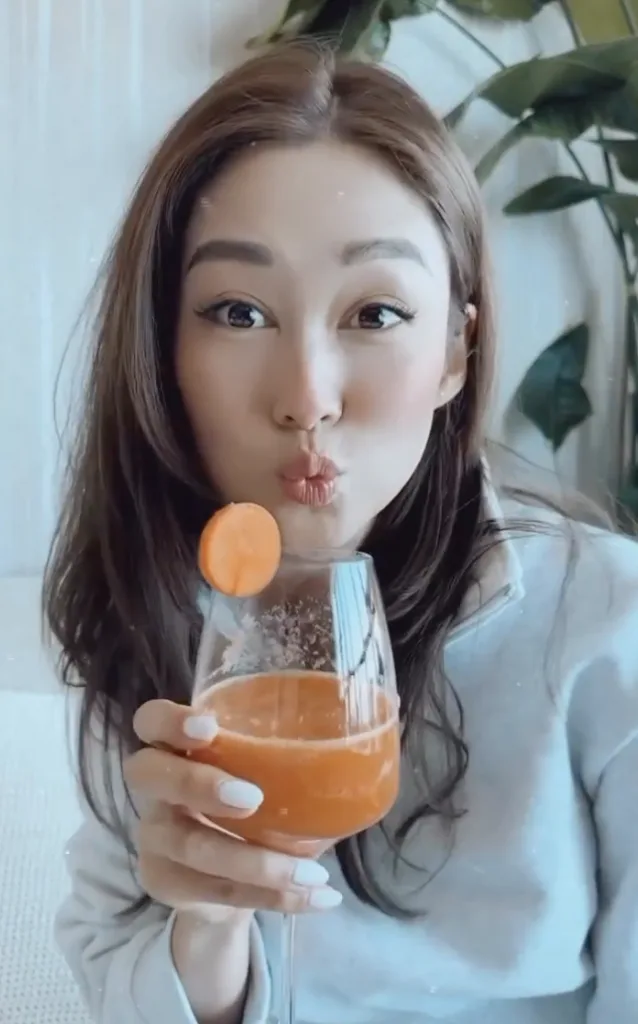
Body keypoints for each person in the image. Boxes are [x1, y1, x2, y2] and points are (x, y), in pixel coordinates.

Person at [44, 40, 638, 1024]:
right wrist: (206, 925)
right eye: (238, 312)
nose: (307, 397)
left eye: (375, 312)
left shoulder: (604, 623)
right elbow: (116, 973)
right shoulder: (154, 613)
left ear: (455, 349)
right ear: (163, 346)